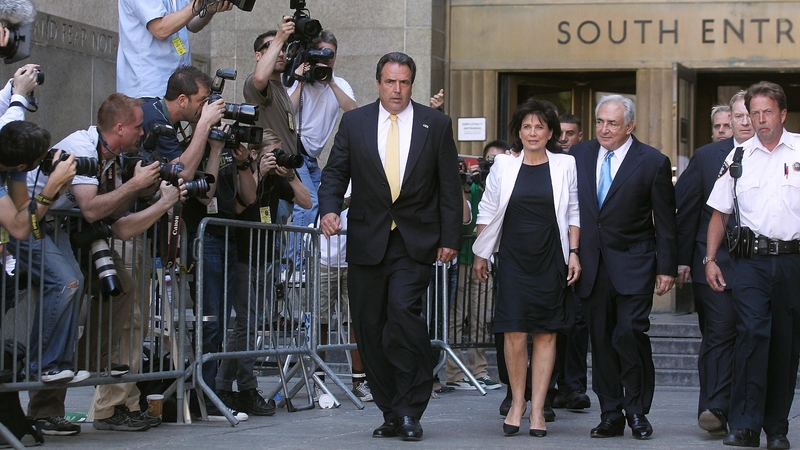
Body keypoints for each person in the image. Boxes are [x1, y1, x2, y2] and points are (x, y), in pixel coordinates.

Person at [318, 52, 462, 441]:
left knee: (402, 313)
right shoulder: (355, 122)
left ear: (412, 85)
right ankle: (391, 409)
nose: (396, 90)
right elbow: (335, 173)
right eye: (389, 82)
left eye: (404, 83)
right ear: (378, 83)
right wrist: (329, 210)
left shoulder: (436, 124)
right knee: (370, 328)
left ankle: (412, 408)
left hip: (414, 242)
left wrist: (451, 239)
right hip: (367, 241)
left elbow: (450, 186)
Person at [570, 94, 677, 440]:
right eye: (600, 121)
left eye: (612, 123)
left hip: (635, 264)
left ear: (629, 126)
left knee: (629, 334)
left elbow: (665, 221)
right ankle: (610, 413)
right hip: (591, 265)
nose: (604, 129)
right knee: (600, 341)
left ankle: (636, 410)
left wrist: (667, 267)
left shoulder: (652, 161)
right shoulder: (578, 155)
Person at [472, 99, 580, 438]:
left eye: (539, 126)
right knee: (514, 332)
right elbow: (487, 210)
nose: (533, 132)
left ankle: (538, 409)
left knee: (546, 333)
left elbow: (574, 212)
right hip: (514, 258)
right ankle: (517, 402)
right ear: (519, 132)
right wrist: (482, 253)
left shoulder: (565, 164)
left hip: (551, 258)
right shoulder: (504, 165)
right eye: (527, 126)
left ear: (551, 132)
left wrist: (574, 253)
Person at [705, 81, 800, 450]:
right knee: (752, 336)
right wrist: (710, 259)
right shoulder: (739, 157)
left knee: (784, 345)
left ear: (782, 114)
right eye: (754, 113)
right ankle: (744, 425)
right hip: (751, 264)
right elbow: (719, 214)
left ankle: (776, 428)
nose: (761, 120)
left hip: (793, 262)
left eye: (767, 112)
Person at [675, 91, 753, 438]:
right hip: (714, 262)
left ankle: (746, 409)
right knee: (718, 336)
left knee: (751, 336)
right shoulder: (707, 157)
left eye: (751, 115)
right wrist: (681, 261)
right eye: (739, 116)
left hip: (761, 265)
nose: (746, 121)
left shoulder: (779, 155)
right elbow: (687, 210)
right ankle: (714, 408)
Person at [215, 129, 308, 416]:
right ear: (255, 152)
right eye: (273, 152)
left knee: (248, 325)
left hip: (266, 259)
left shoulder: (279, 179)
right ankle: (245, 387)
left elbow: (306, 202)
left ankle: (222, 384)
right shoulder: (235, 171)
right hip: (242, 257)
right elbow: (243, 204)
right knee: (246, 323)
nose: (278, 157)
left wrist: (289, 175)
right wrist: (256, 171)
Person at [285, 30, 357, 282]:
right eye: (321, 54)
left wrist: (331, 83)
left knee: (320, 206)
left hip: (312, 158)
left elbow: (353, 112)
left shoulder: (339, 83)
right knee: (309, 203)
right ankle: (294, 264)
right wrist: (302, 80)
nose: (326, 60)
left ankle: (303, 257)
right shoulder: (300, 79)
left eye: (331, 55)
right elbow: (287, 111)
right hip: (294, 150)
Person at [445, 141, 505, 392]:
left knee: (481, 319)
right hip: (465, 260)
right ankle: (454, 372)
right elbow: (466, 222)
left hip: (486, 260)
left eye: (498, 161)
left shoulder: (504, 185)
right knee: (458, 318)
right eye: (489, 161)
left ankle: (479, 370)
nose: (492, 166)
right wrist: (466, 184)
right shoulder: (470, 187)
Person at [550, 113, 591, 411]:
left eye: (570, 133)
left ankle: (574, 386)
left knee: (577, 323)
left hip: (580, 255)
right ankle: (545, 386)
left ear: (580, 136)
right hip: (546, 255)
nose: (564, 138)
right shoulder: (542, 162)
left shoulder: (585, 165)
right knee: (548, 325)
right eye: (560, 133)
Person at [243, 20, 299, 226]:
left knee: (280, 248)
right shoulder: (255, 83)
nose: (281, 52)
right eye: (272, 47)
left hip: (286, 174)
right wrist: (280, 37)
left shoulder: (280, 88)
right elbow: (259, 77)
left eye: (284, 48)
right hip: (268, 176)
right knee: (269, 247)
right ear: (258, 56)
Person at [117, 0, 233, 98]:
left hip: (177, 84)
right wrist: (198, 3)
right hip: (149, 87)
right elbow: (160, 29)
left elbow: (191, 23)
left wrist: (209, 9)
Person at [139, 65, 226, 182]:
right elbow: (183, 173)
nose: (206, 107)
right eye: (202, 101)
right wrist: (205, 122)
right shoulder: (155, 121)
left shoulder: (159, 110)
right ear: (182, 100)